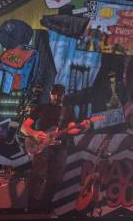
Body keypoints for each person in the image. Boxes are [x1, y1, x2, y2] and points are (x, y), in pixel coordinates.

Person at [21, 84, 90, 214]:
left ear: (64, 95)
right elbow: (24, 127)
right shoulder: (41, 108)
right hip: (42, 147)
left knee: (56, 179)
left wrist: (83, 128)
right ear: (50, 94)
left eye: (60, 94)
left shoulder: (68, 111)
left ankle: (45, 205)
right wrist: (35, 134)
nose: (57, 96)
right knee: (37, 177)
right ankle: (31, 206)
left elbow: (71, 129)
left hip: (60, 148)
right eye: (55, 93)